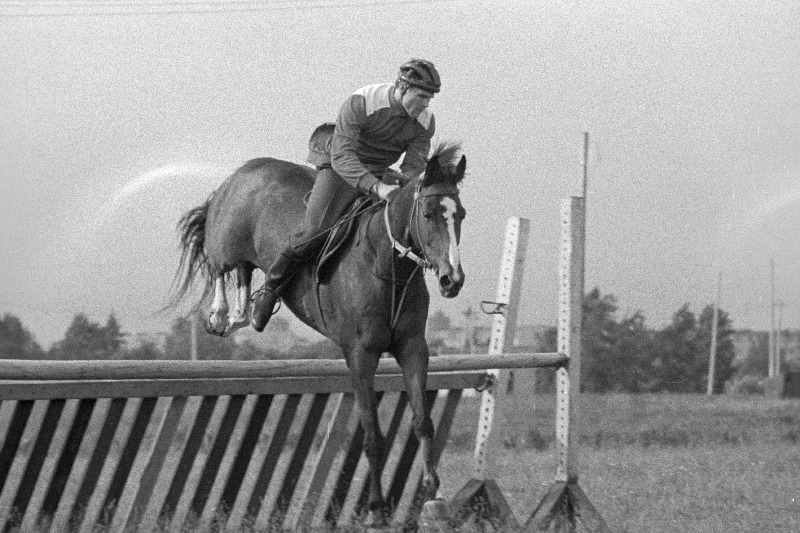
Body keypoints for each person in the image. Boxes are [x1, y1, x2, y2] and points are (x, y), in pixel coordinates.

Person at [251, 59, 441, 331]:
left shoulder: (425, 122)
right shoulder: (362, 102)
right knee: (315, 230)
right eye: (421, 96)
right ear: (401, 87)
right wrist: (376, 187)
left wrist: (405, 186)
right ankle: (270, 289)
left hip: (380, 172)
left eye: (430, 98)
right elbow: (342, 155)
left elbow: (413, 166)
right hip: (340, 167)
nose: (425, 104)